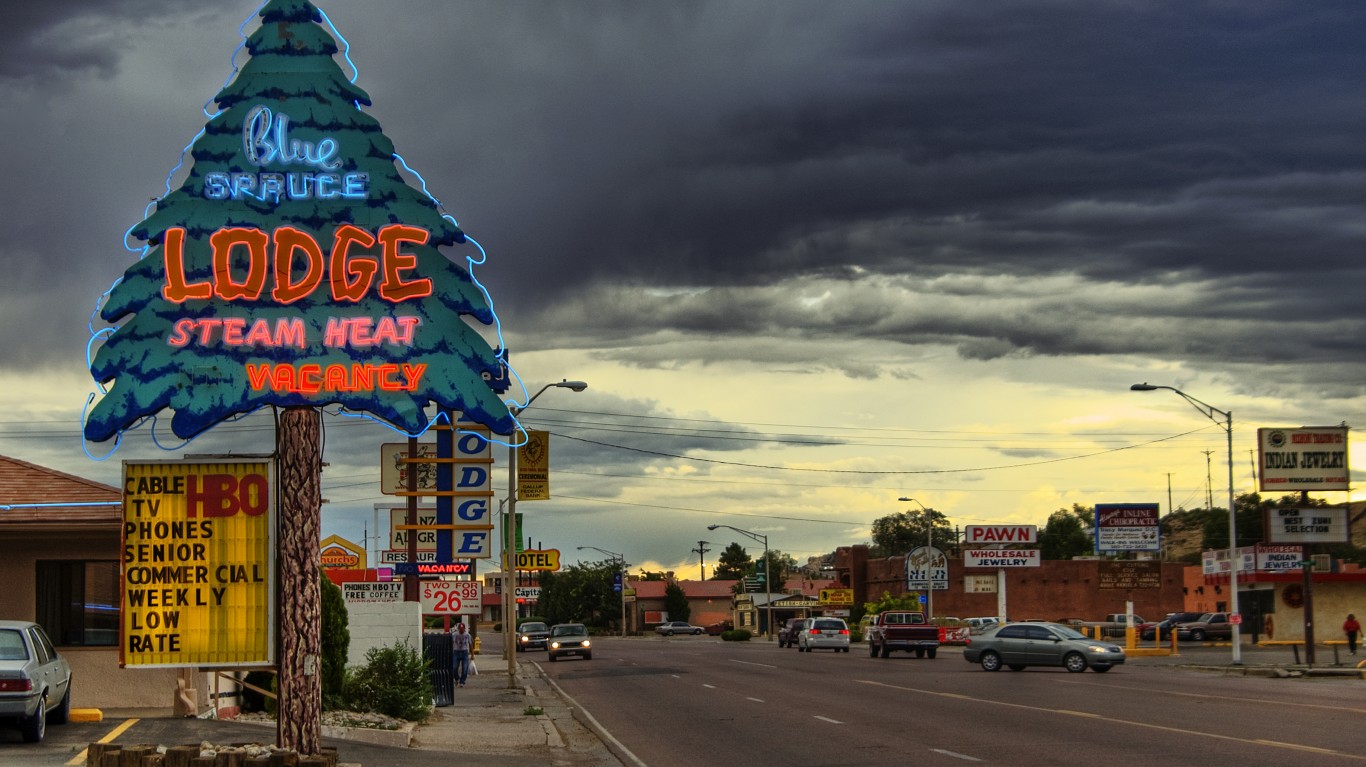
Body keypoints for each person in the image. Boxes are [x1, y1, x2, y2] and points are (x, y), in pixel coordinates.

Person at [451, 622, 472, 687]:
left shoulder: (467, 635)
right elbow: (451, 643)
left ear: (464, 629)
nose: (461, 630)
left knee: (465, 667)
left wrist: (472, 655)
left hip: (464, 652)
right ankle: (457, 678)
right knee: (454, 667)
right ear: (458, 629)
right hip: (456, 652)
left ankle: (462, 681)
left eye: (462, 629)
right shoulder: (454, 635)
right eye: (460, 629)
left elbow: (471, 644)